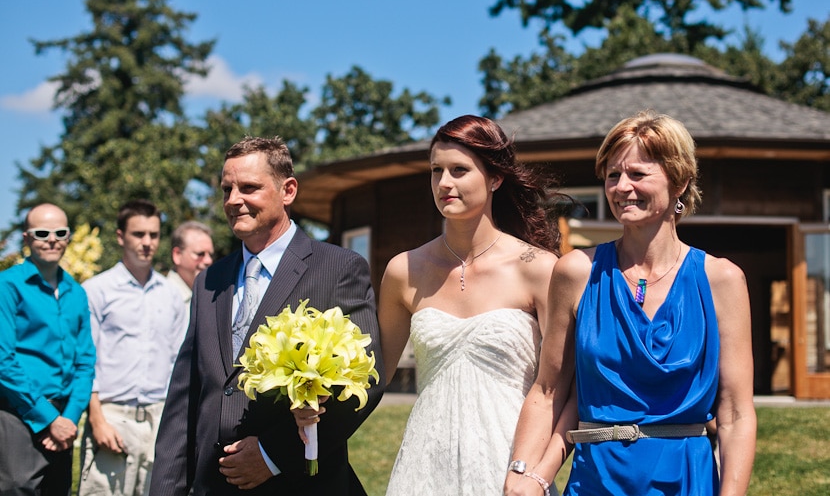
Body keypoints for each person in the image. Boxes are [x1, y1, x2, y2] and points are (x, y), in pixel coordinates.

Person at [505, 110, 756, 496]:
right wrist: (521, 474)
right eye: (612, 175)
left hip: (688, 479)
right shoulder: (576, 272)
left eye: (638, 174)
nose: (622, 187)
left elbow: (736, 414)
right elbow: (548, 390)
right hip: (597, 480)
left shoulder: (722, 280)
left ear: (679, 182)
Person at [149, 135, 384, 495]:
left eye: (249, 188)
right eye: (227, 189)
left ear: (287, 190)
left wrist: (273, 455)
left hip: (295, 483)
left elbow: (364, 380)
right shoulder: (209, 280)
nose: (233, 200)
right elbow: (187, 396)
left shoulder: (338, 268)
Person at [378, 115, 565, 495]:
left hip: (509, 469)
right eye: (436, 171)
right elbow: (373, 377)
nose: (444, 183)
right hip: (423, 469)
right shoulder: (404, 270)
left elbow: (560, 388)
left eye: (459, 170)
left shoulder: (539, 269)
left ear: (495, 178)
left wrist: (535, 472)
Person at [78, 199, 189, 496]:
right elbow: (85, 362)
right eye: (138, 234)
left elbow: (179, 365)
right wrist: (97, 420)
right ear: (120, 237)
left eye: (153, 235)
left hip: (159, 419)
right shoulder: (95, 290)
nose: (147, 243)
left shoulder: (172, 295)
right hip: (112, 417)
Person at [0, 203, 96, 495]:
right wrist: (47, 418)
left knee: (58, 490)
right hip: (17, 412)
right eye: (42, 232)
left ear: (68, 237)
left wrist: (69, 416)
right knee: (17, 489)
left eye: (60, 232)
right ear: (27, 238)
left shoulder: (77, 292)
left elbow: (85, 361)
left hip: (63, 419)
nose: (52, 238)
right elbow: (3, 360)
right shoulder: (7, 285)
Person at [168, 220, 214, 304]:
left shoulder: (208, 296)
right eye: (200, 254)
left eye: (210, 255)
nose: (209, 261)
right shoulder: (163, 298)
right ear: (177, 255)